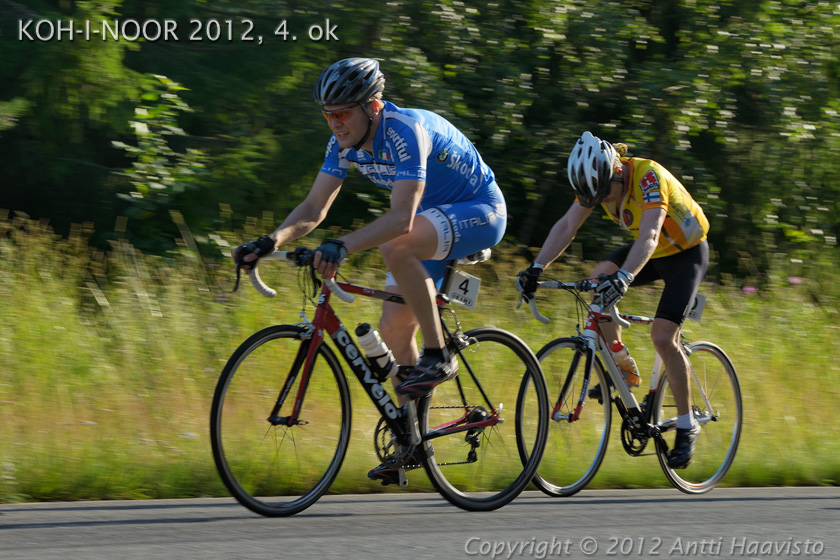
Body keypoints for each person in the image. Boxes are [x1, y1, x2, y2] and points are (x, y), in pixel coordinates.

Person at [233, 57, 507, 483]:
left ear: (372, 107)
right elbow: (312, 207)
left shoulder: (403, 131)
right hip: (428, 224)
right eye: (328, 115)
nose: (335, 123)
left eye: (342, 113)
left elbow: (401, 218)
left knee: (397, 245)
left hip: (480, 211)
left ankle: (439, 357)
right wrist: (270, 242)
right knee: (395, 330)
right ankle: (413, 438)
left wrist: (341, 246)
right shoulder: (341, 145)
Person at [516, 131, 709, 469]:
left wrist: (625, 277)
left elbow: (650, 234)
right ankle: (623, 367)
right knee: (596, 284)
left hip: (684, 253)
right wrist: (536, 267)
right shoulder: (596, 185)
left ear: (617, 172)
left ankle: (686, 423)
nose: (600, 201)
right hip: (650, 252)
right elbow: (566, 226)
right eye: (593, 197)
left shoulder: (648, 175)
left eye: (604, 193)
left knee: (663, 337)